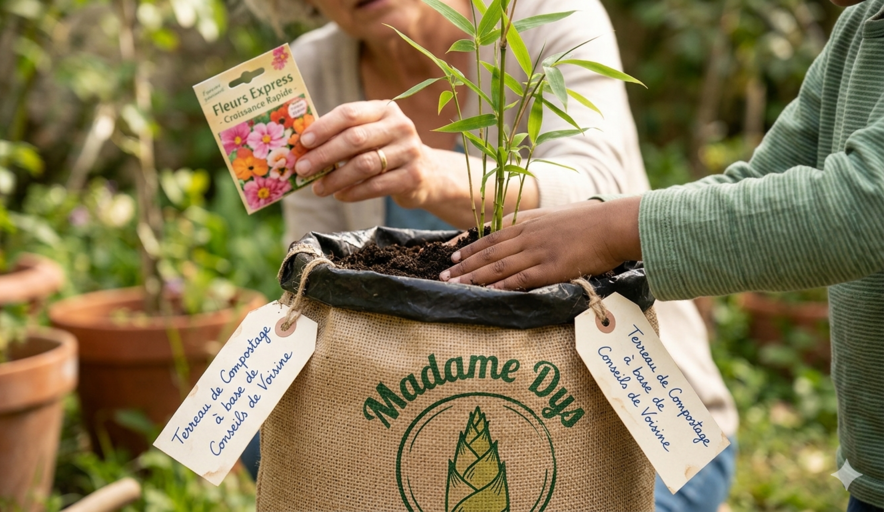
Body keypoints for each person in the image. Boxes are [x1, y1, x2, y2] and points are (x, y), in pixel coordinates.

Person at [243, 0, 740, 508]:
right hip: (407, 403)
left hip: (613, 417)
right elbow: (318, 271)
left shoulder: (545, 12)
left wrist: (430, 176)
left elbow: (599, 192)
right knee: (262, 437)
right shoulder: (314, 69)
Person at [440, 1, 884, 510]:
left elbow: (863, 206)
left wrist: (614, 228)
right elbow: (761, 186)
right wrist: (586, 225)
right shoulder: (861, 27)